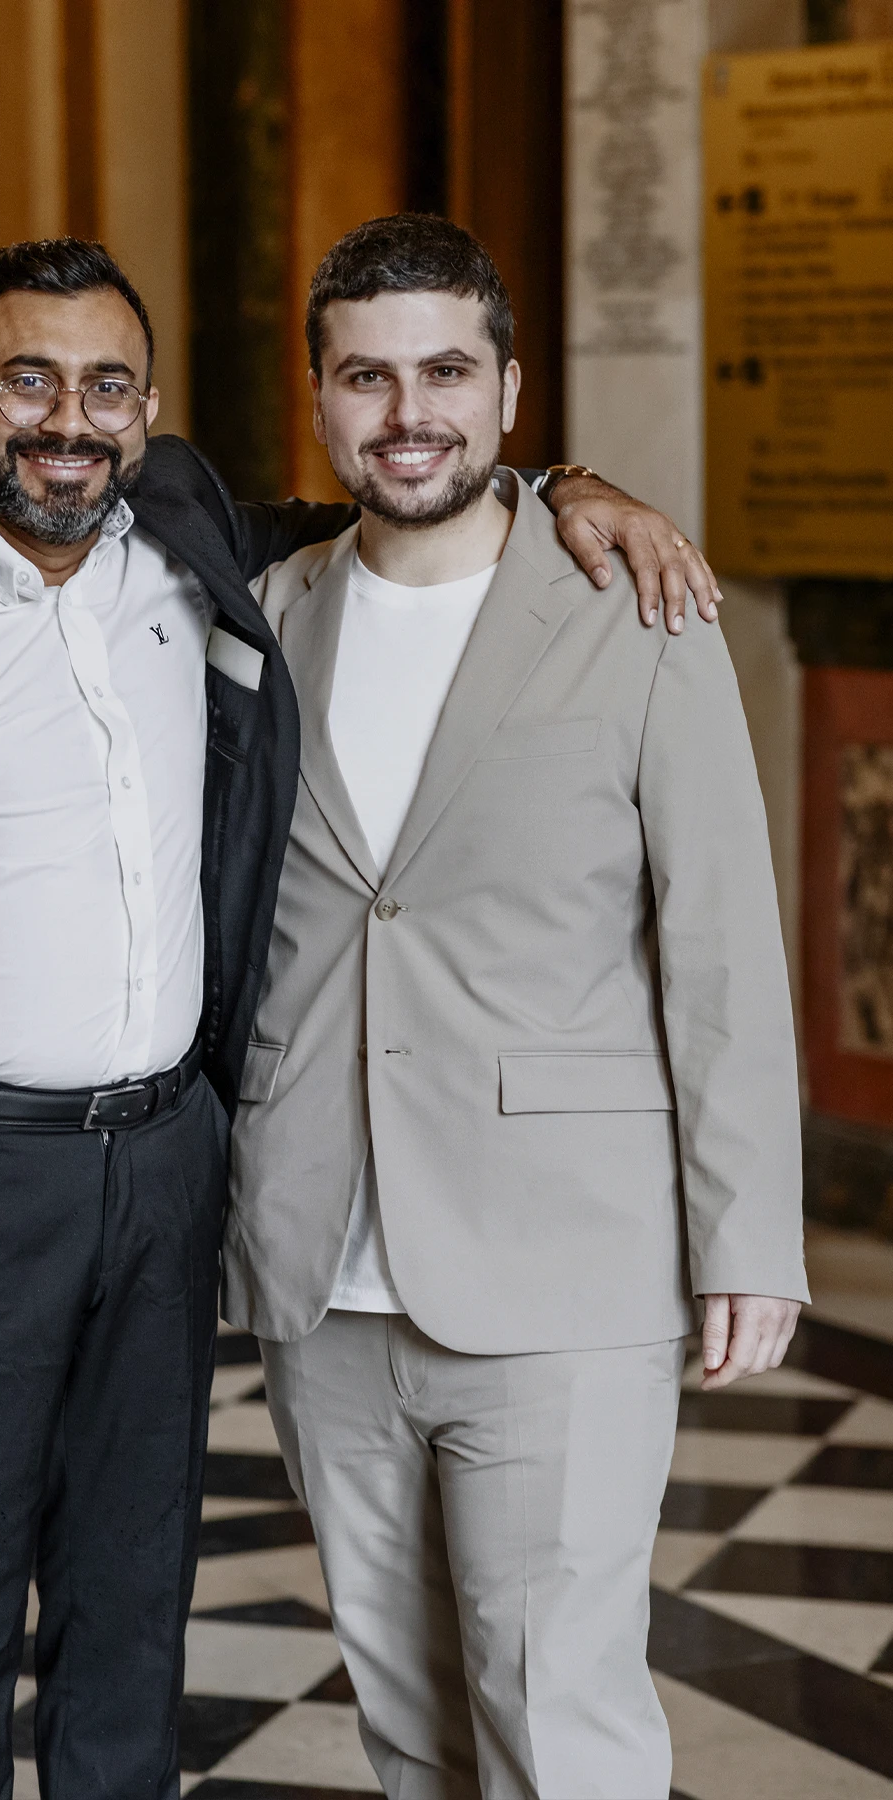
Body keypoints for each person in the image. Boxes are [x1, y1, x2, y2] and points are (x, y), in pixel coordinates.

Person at [0, 235, 718, 1799]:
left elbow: (416, 488)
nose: (67, 421)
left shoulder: (196, 547)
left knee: (131, 1616)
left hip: (168, 1170)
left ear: (149, 409)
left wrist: (581, 482)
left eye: (107, 386)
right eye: (26, 378)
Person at [225, 213, 807, 1800]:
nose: (408, 412)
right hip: (318, 1269)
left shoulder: (636, 609)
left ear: (509, 391)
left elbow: (722, 941)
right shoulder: (261, 619)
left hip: (565, 1263)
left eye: (446, 372)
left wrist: (746, 1231)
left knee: (560, 1720)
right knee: (411, 1729)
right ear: (324, 399)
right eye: (368, 377)